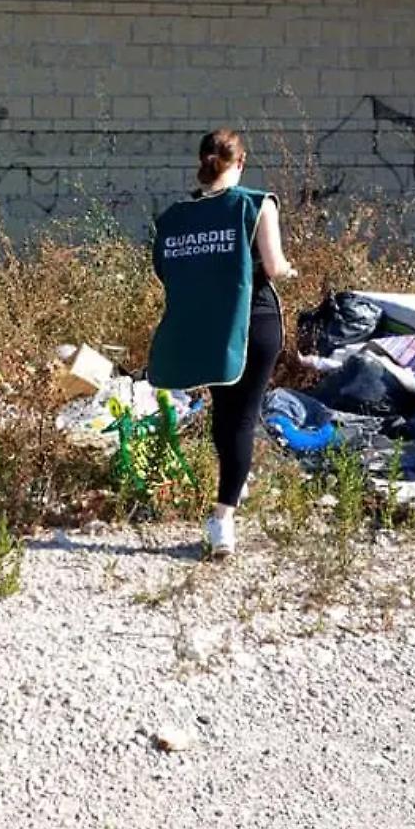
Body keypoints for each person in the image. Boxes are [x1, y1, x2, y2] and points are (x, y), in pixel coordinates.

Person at [148, 128, 295, 559]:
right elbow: (273, 264)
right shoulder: (255, 203)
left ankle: (234, 480)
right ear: (241, 162)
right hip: (254, 324)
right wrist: (289, 270)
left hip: (203, 327)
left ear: (202, 163)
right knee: (242, 420)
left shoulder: (176, 216)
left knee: (224, 414)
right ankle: (222, 519)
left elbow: (166, 272)